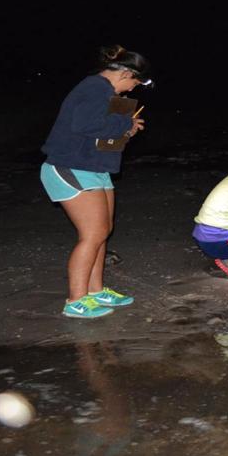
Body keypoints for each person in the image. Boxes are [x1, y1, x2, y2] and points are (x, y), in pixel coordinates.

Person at [40, 44, 152, 318]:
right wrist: (125, 125)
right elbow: (84, 125)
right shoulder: (94, 88)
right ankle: (75, 301)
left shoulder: (106, 92)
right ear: (126, 73)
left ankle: (95, 290)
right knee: (92, 234)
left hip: (93, 167)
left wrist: (127, 131)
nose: (134, 89)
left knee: (103, 231)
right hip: (69, 167)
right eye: (136, 82)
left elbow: (100, 136)